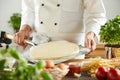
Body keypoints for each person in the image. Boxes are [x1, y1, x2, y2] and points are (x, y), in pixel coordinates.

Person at [14, 0, 106, 59]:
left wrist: (91, 34)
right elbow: (29, 10)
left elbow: (96, 14)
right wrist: (24, 29)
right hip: (39, 50)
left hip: (72, 53)